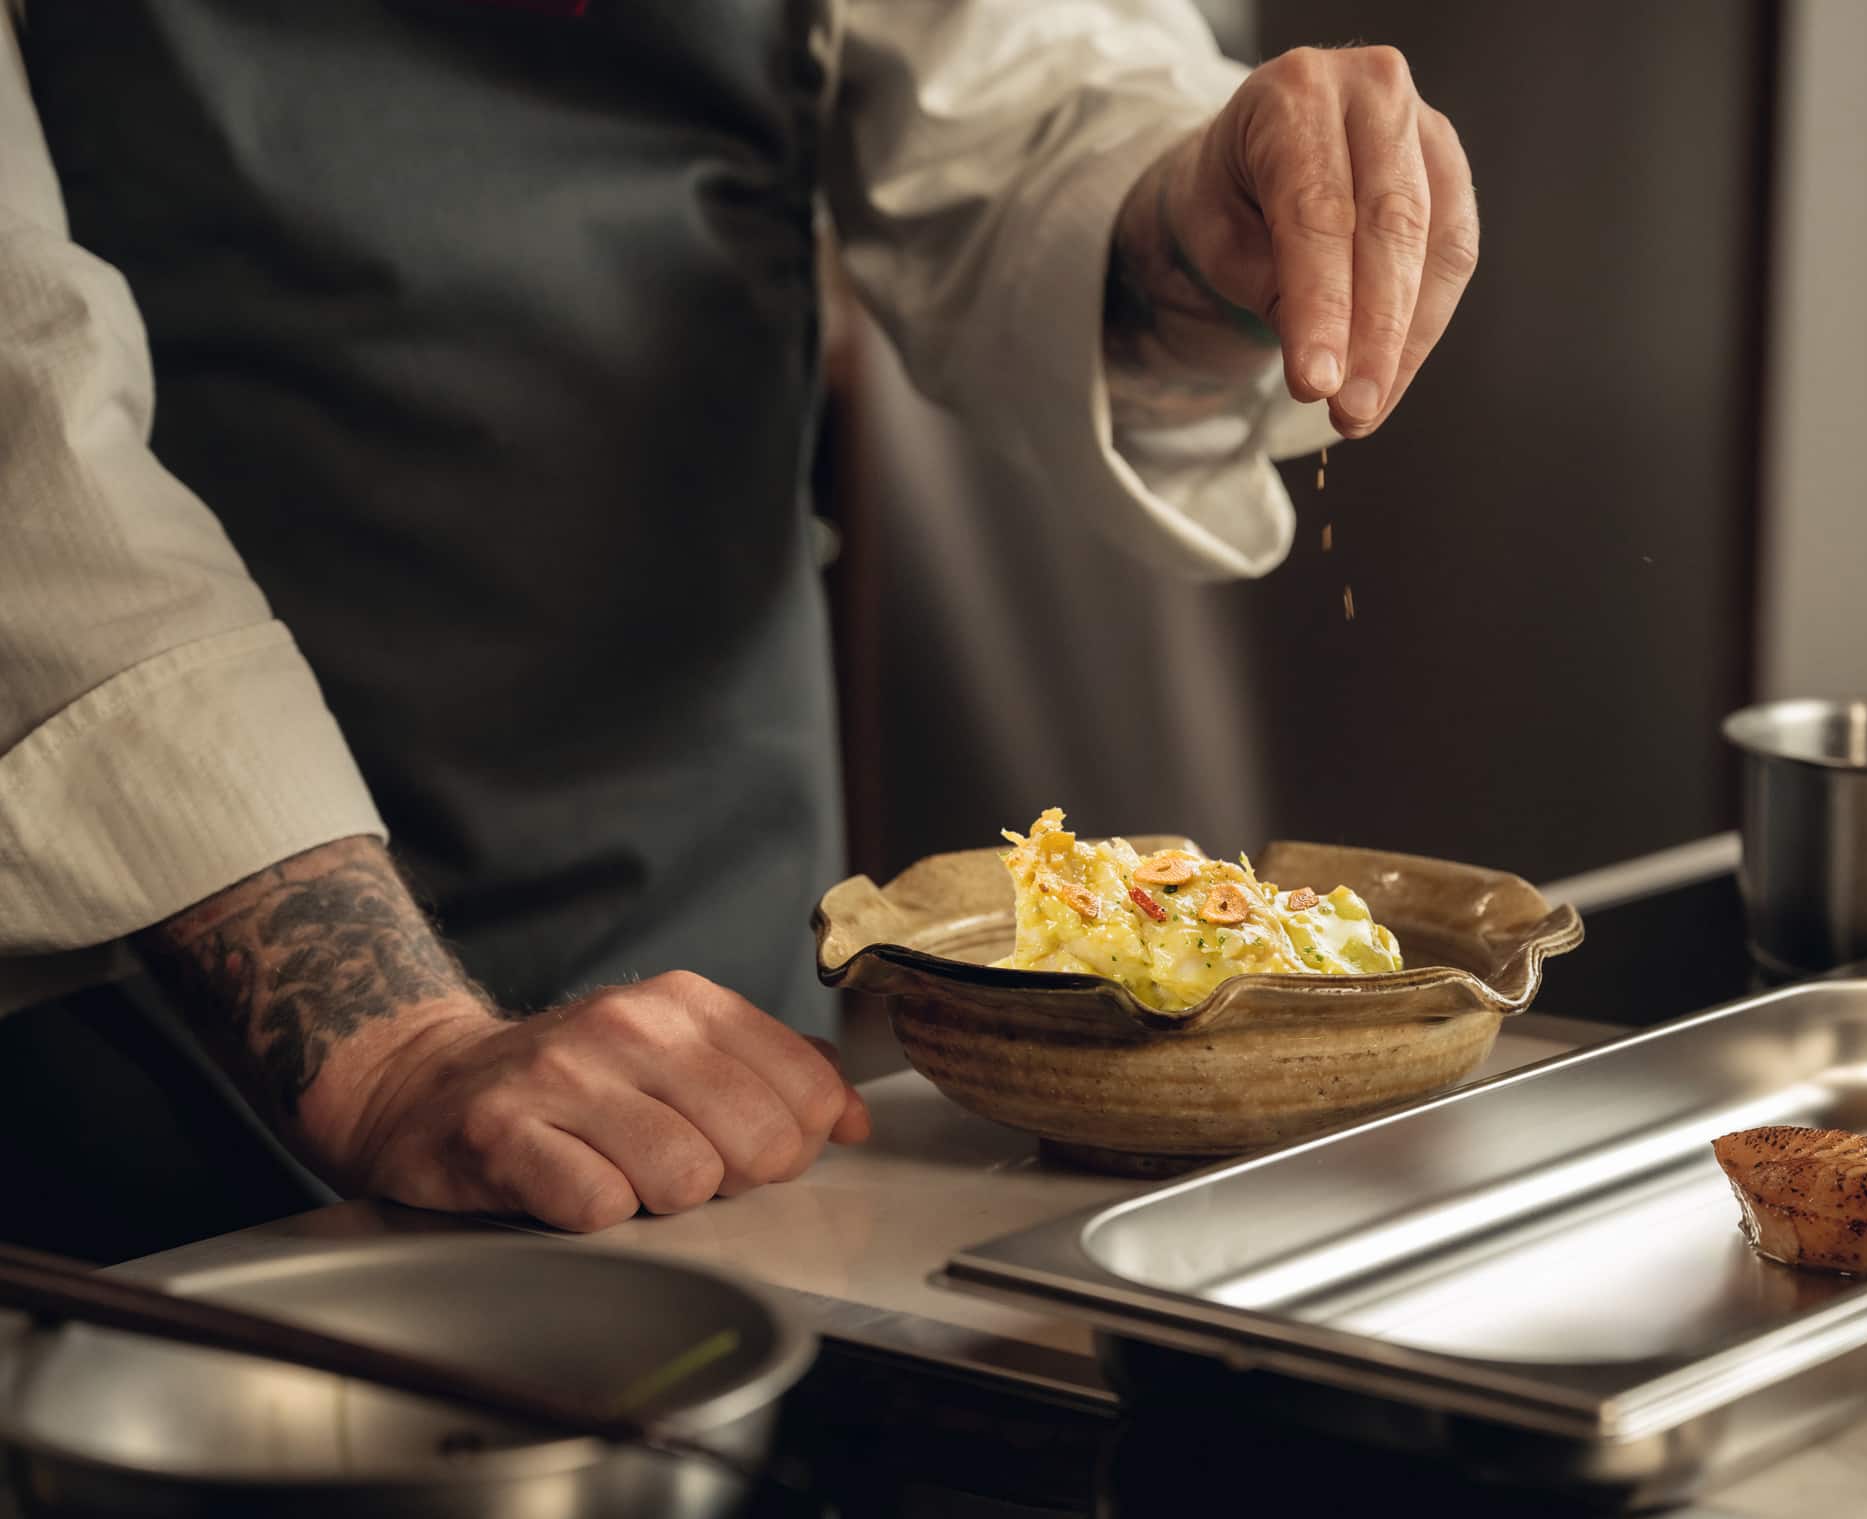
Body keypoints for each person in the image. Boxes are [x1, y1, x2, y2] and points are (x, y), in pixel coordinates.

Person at [0, 0, 1478, 1242]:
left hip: (694, 881)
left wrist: (1188, 225)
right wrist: (391, 1054)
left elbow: (1012, 96)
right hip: (118, 928)